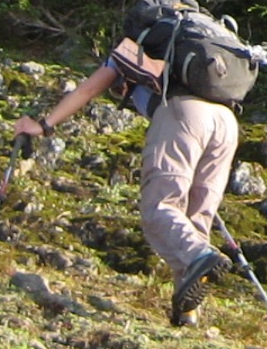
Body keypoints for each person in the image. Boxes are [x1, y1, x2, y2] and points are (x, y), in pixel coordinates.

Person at [12, 23, 239, 327]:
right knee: (195, 216)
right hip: (227, 123)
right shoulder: (199, 51)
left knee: (161, 207)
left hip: (184, 115)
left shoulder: (135, 47)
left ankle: (200, 256)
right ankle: (186, 312)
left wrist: (44, 124)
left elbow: (89, 89)